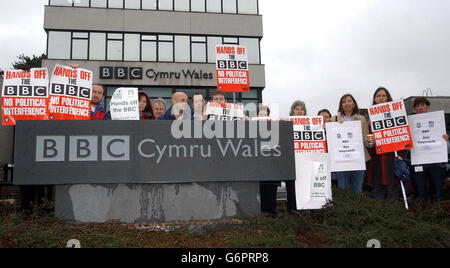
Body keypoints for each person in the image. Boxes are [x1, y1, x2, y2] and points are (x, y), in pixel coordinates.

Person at [366, 87, 402, 201]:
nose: (381, 98)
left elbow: (403, 136)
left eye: (383, 95)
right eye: (378, 96)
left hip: (392, 159)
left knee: (393, 192)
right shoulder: (370, 119)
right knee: (378, 193)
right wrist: (370, 129)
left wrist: (401, 154)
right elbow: (368, 144)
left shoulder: (396, 114)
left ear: (388, 98)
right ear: (374, 99)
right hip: (377, 160)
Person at [410, 97, 449, 202]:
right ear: (414, 108)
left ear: (428, 106)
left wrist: (447, 137)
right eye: (417, 106)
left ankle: (438, 212)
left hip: (436, 161)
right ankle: (421, 212)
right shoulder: (410, 122)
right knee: (420, 192)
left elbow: (446, 135)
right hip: (418, 162)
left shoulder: (439, 120)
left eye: (422, 105)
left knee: (438, 191)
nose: (420, 108)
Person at [330, 94, 371, 194]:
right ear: (341, 105)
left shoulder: (361, 119)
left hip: (358, 159)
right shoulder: (334, 119)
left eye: (349, 101)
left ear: (354, 104)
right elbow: (330, 140)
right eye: (343, 102)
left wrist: (370, 141)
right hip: (341, 160)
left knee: (357, 189)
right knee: (343, 189)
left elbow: (366, 140)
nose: (346, 104)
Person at [318, 109, 338, 186]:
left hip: (333, 166)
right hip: (320, 167)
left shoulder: (335, 130)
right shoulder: (312, 131)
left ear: (330, 118)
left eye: (326, 117)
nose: (324, 119)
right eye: (321, 117)